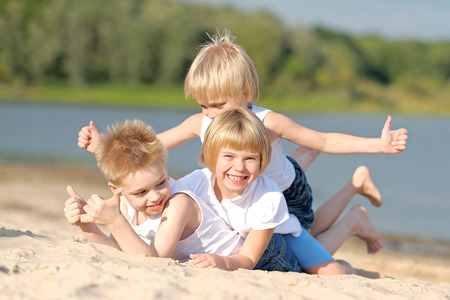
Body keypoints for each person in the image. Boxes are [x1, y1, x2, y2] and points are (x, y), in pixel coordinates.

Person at [76, 29, 407, 255]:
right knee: (280, 165)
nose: (211, 115)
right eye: (203, 106)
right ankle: (306, 158)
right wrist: (104, 145)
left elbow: (324, 138)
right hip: (245, 182)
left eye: (219, 105)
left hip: (282, 192)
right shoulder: (202, 121)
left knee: (306, 238)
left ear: (246, 95)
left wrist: (378, 144)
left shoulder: (269, 122)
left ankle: (354, 211)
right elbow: (149, 148)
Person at [180, 108, 382, 278]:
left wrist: (223, 262)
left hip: (284, 234)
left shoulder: (269, 198)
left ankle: (353, 243)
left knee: (331, 272)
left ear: (262, 161)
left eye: (250, 158)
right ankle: (354, 200)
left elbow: (249, 257)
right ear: (211, 155)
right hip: (266, 229)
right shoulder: (196, 182)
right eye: (229, 156)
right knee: (314, 233)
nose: (239, 167)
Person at [64, 119, 251, 267]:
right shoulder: (123, 203)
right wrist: (86, 224)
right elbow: (121, 251)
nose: (154, 196)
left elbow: (155, 260)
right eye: (141, 192)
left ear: (164, 165)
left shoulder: (178, 204)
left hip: (241, 257)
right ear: (116, 189)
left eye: (161, 182)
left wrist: (115, 222)